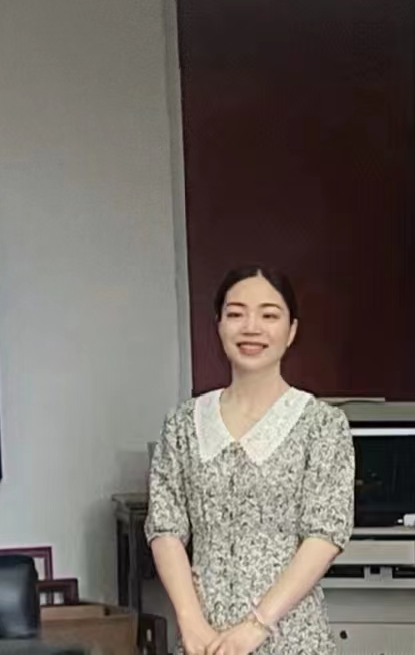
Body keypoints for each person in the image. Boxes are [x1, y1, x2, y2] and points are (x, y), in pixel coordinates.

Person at [145, 265, 355, 655]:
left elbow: (325, 535)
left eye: (269, 315)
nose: (251, 327)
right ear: (219, 324)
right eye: (236, 313)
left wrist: (257, 626)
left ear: (291, 330)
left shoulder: (322, 425)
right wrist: (191, 623)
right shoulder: (182, 424)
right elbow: (165, 528)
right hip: (203, 640)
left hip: (290, 637)